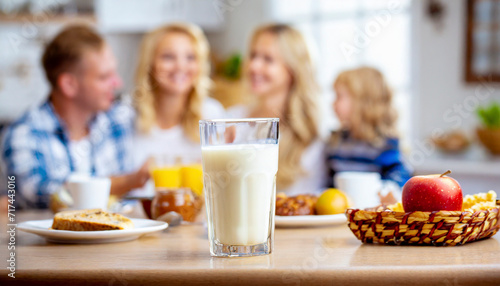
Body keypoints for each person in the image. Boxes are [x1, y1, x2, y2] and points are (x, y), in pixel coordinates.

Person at [0, 25, 150, 209]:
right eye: (104, 77)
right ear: (69, 84)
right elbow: (45, 196)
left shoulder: (117, 120)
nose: (117, 82)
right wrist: (128, 181)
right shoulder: (23, 134)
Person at [227, 24, 327, 196]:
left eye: (268, 59)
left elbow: (303, 203)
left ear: (293, 69)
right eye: (253, 55)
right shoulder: (232, 119)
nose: (254, 66)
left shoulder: (309, 133)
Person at [131, 23, 225, 193]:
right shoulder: (127, 117)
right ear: (150, 64)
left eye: (190, 57)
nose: (180, 66)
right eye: (168, 57)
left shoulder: (212, 114)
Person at [327, 67, 412, 188]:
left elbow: (400, 178)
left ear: (362, 102)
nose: (333, 103)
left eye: (339, 96)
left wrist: (387, 191)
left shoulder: (386, 144)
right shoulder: (336, 141)